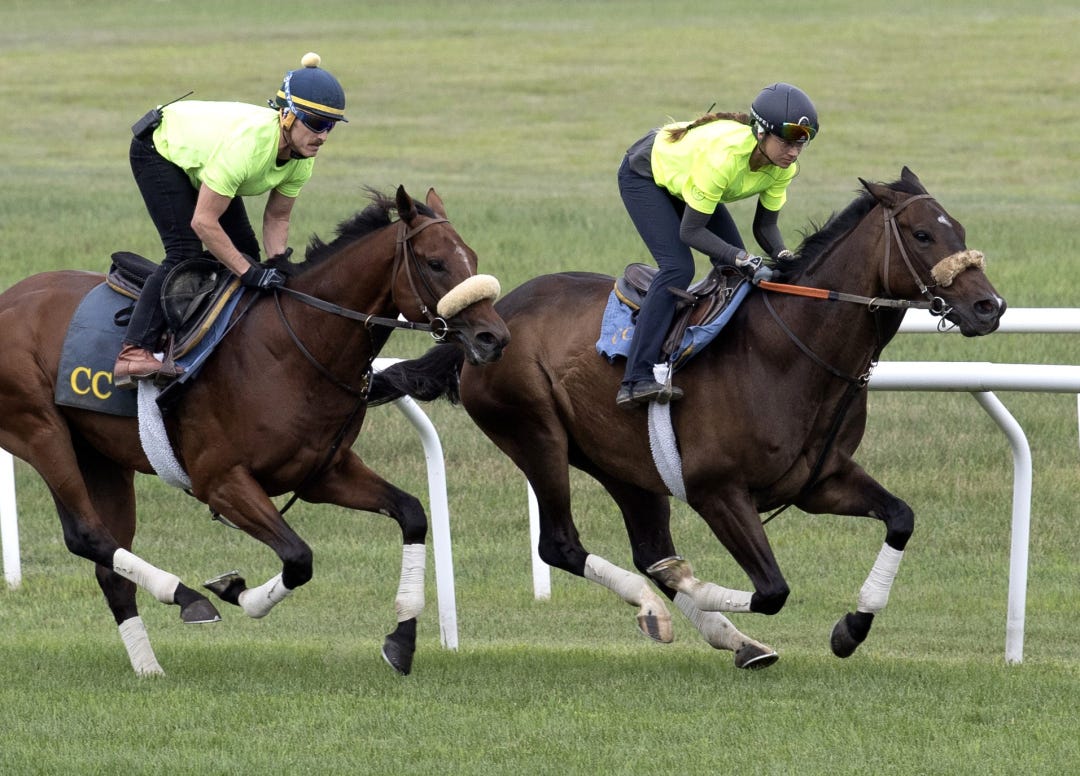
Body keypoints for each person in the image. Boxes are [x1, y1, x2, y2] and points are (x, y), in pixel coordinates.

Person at [112, 52, 347, 388]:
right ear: (286, 115)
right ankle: (134, 352)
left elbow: (278, 217)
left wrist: (277, 265)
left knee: (246, 252)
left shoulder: (303, 157)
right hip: (160, 150)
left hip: (209, 160)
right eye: (316, 123)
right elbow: (204, 223)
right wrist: (250, 272)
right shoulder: (250, 149)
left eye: (331, 126)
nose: (323, 136)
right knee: (185, 252)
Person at [614, 82, 819, 408]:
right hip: (645, 175)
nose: (793, 152)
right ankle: (635, 378)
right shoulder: (723, 158)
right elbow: (691, 232)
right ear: (761, 133)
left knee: (735, 272)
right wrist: (743, 257)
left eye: (801, 145)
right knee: (678, 267)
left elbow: (765, 227)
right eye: (786, 142)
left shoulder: (784, 167)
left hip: (686, 179)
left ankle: (718, 359)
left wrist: (785, 259)